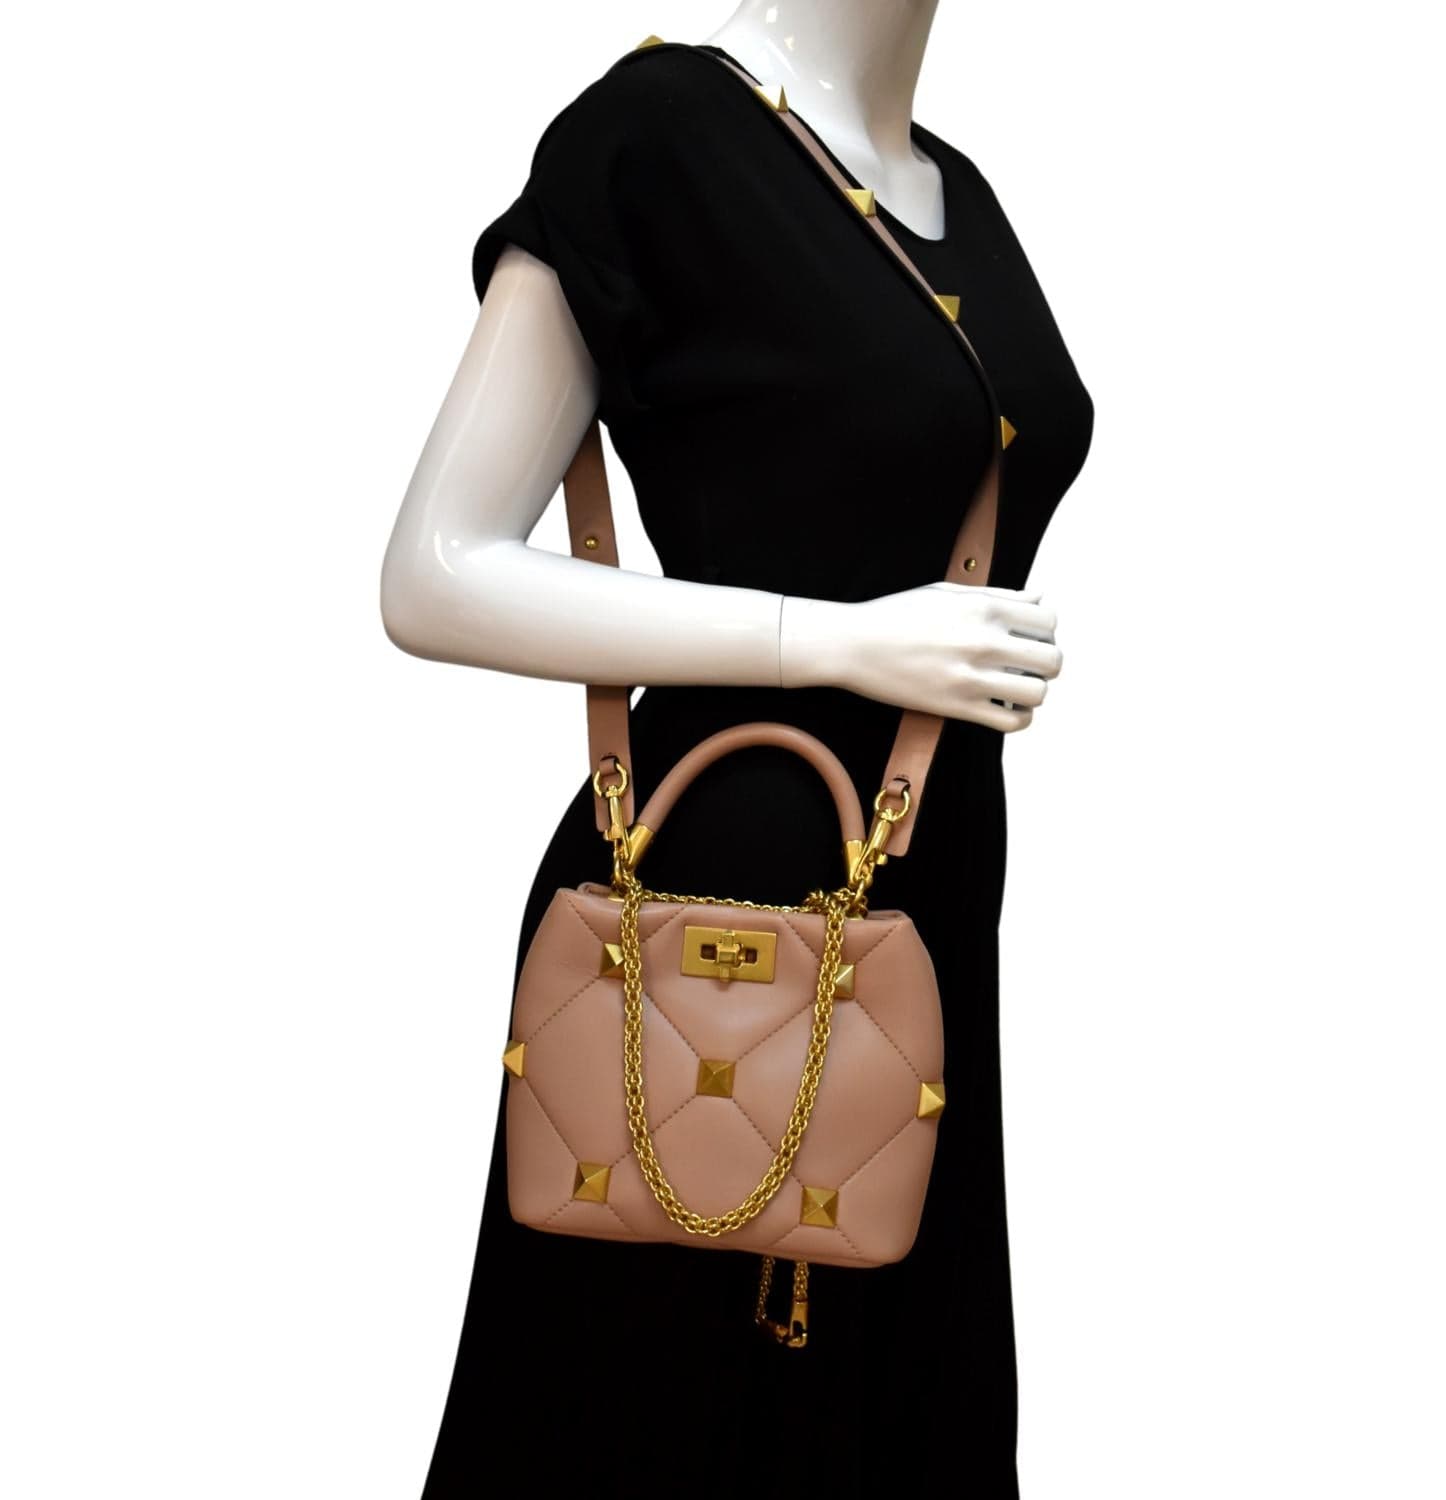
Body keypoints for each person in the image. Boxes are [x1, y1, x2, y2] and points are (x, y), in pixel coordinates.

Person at [381, 5, 1094, 1494]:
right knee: (651, 1408)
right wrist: (835, 641)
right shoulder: (653, 137)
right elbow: (431, 575)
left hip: (928, 900)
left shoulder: (957, 191)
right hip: (704, 908)